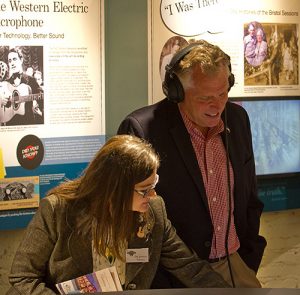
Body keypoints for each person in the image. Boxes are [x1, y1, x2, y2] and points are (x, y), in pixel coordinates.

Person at [118, 40, 267, 288]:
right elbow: (129, 214)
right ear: (176, 91)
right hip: (173, 277)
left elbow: (250, 194)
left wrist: (250, 255)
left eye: (222, 93)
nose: (217, 106)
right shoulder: (141, 129)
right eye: (205, 97)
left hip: (235, 265)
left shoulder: (238, 119)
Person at [7, 135, 229, 294]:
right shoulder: (57, 211)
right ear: (115, 190)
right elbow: (23, 277)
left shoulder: (154, 212)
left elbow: (189, 267)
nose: (152, 195)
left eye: (154, 183)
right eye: (144, 189)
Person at [2, 48, 43, 125]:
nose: (12, 63)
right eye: (10, 61)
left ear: (21, 60)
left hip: (27, 123)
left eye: (14, 59)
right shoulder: (6, 83)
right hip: (11, 124)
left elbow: (42, 99)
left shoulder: (31, 80)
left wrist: (36, 105)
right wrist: (2, 101)